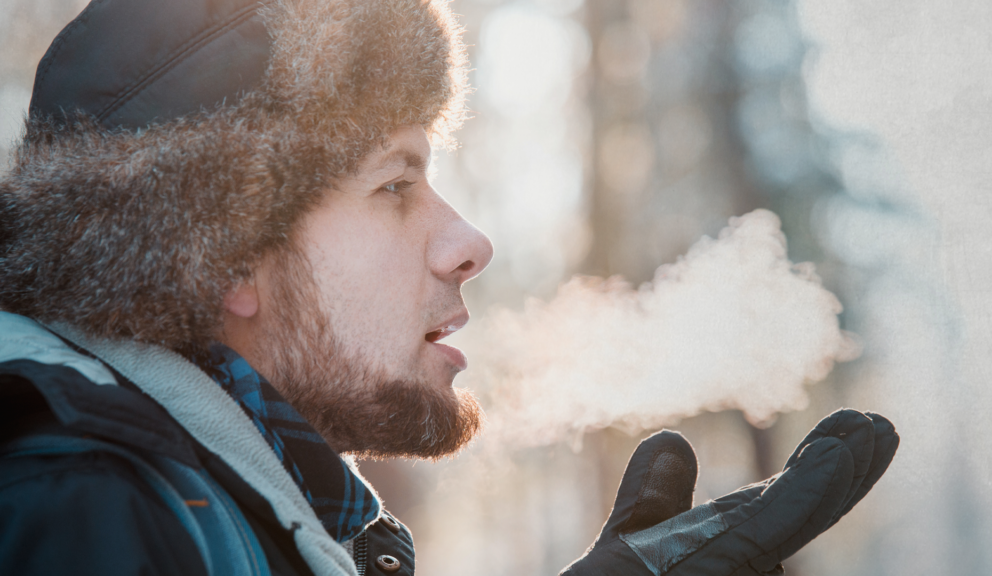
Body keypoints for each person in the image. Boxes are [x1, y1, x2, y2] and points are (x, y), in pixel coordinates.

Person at [0, 0, 898, 575]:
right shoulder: (86, 505)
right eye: (395, 186)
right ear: (222, 250)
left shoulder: (216, 502)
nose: (469, 242)